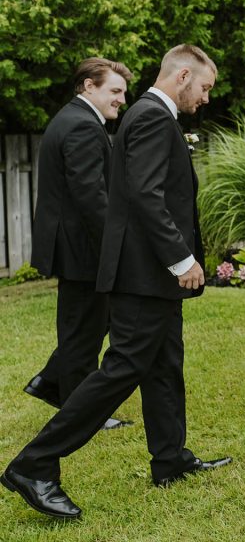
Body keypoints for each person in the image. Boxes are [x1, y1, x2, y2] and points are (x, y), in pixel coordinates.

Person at [2, 45, 227, 520]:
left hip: (149, 276)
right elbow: (145, 195)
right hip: (143, 274)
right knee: (121, 369)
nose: (205, 98)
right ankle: (34, 464)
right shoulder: (150, 116)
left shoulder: (152, 115)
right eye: (204, 87)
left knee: (165, 364)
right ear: (183, 76)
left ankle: (171, 460)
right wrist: (181, 259)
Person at [25, 59, 134, 432]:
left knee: (88, 323)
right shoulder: (83, 126)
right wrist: (116, 246)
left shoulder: (72, 119)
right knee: (84, 327)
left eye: (123, 92)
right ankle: (76, 407)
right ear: (89, 86)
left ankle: (51, 382)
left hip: (73, 243)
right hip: (81, 246)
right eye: (115, 91)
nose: (121, 99)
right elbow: (91, 196)